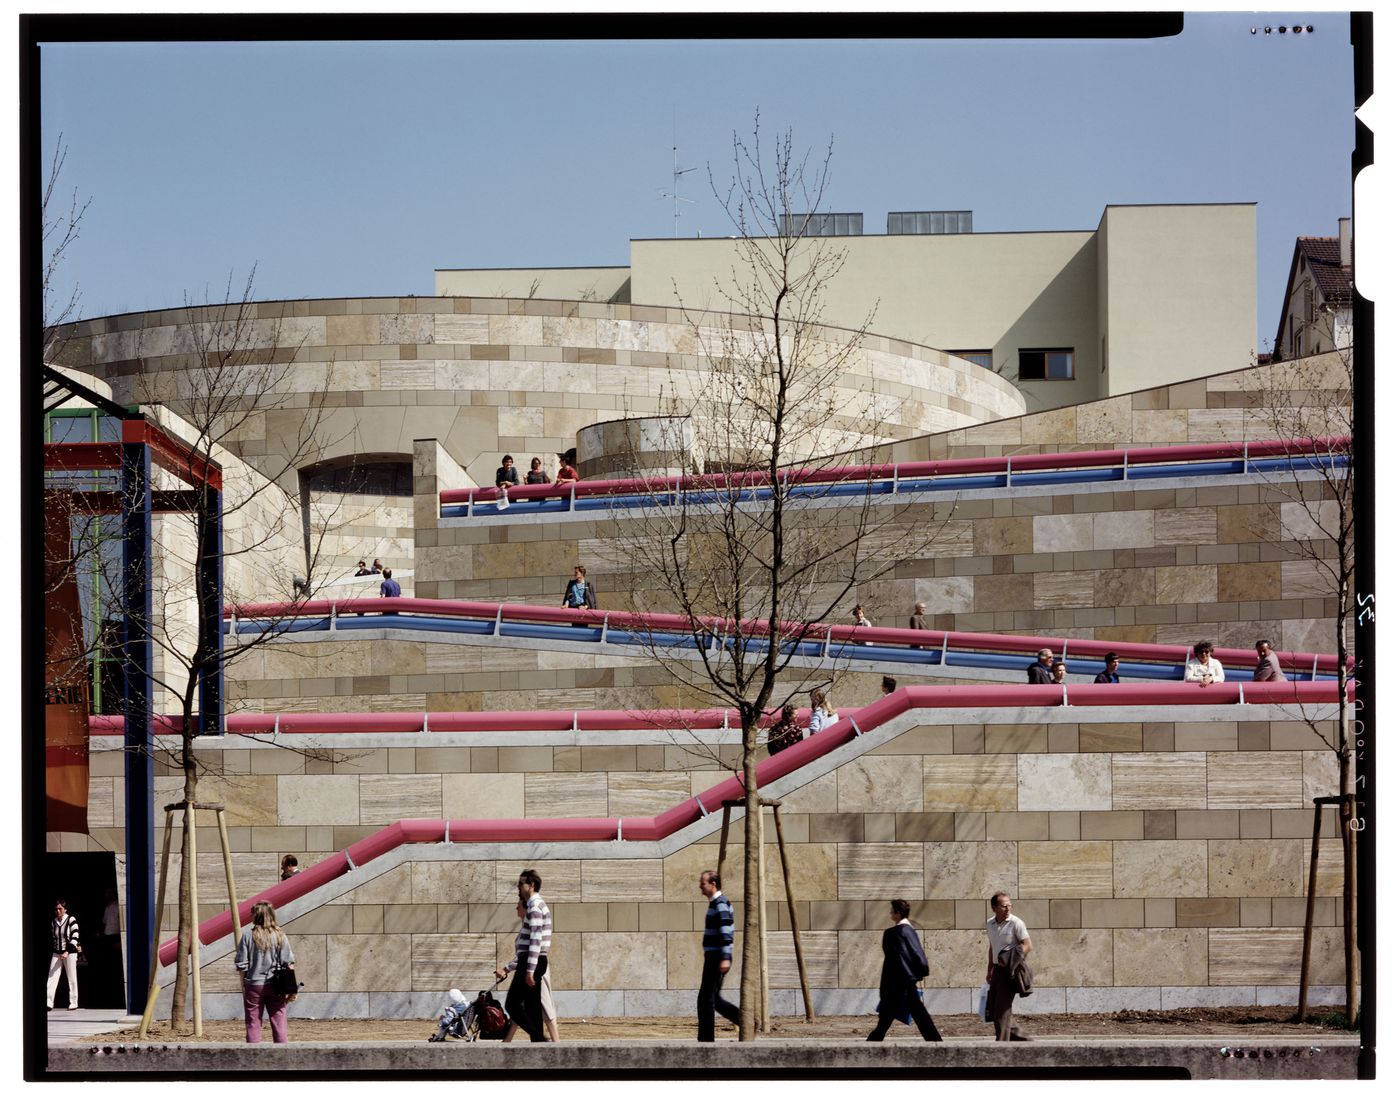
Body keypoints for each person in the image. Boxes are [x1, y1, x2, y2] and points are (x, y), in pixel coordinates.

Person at [866, 899, 942, 1042]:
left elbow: (891, 962)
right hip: (907, 982)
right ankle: (937, 1043)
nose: (890, 913)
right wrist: (920, 971)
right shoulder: (910, 931)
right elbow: (917, 954)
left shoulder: (891, 933)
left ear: (897, 913)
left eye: (892, 911)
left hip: (896, 984)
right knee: (920, 1016)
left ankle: (869, 1047)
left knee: (886, 1021)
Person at [499, 868, 551, 1042]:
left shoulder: (535, 907)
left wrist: (529, 970)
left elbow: (535, 939)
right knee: (532, 1006)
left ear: (532, 885)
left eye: (521, 883)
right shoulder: (536, 905)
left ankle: (539, 1038)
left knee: (512, 1004)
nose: (518, 887)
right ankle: (538, 1045)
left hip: (531, 961)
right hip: (533, 960)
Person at [496, 900, 559, 1041]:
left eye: (519, 905)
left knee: (543, 1006)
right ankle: (510, 1041)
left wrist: (507, 968)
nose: (516, 907)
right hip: (530, 967)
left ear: (526, 909)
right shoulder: (526, 926)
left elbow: (530, 952)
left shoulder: (532, 924)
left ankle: (554, 1043)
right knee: (524, 1006)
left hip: (534, 968)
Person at [234, 900, 295, 1044]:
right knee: (279, 1019)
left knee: (253, 1021)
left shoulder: (248, 936)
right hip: (277, 984)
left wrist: (244, 984)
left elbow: (242, 965)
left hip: (254, 984)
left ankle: (253, 1056)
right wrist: (292, 989)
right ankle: (282, 1054)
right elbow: (289, 963)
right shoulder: (280, 935)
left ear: (255, 916)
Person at [696, 870, 741, 1042]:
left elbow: (726, 932)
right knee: (712, 998)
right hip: (714, 956)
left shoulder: (720, 904)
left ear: (713, 884)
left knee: (706, 999)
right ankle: (745, 1021)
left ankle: (706, 1039)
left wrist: (725, 956)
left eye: (703, 883)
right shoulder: (716, 903)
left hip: (717, 957)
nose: (701, 886)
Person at [985, 892, 1033, 1041]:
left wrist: (1013, 960)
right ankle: (1023, 1039)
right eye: (1004, 906)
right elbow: (992, 947)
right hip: (997, 970)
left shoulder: (1016, 923)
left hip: (1009, 971)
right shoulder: (990, 924)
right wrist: (989, 969)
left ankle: (1002, 1047)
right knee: (993, 1009)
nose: (1008, 908)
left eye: (1009, 905)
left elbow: (1028, 945)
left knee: (1001, 1010)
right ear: (994, 908)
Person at [47, 898, 81, 1010]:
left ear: (65, 909)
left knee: (71, 977)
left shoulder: (71, 919)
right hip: (57, 952)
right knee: (52, 976)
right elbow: (54, 938)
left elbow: (75, 937)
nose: (57, 911)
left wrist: (67, 951)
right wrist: (58, 950)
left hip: (70, 953)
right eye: (56, 909)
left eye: (60, 908)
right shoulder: (54, 922)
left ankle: (73, 1002)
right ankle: (49, 1002)